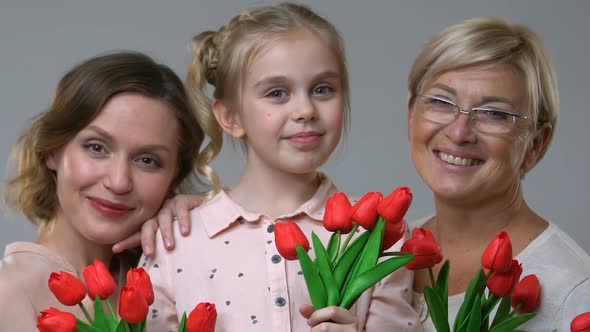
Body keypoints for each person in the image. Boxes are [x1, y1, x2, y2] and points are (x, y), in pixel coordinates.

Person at [143, 3, 420, 331]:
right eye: (277, 93)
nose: (305, 109)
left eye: (322, 89)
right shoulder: (176, 242)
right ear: (230, 117)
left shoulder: (379, 236)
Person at [406, 17, 590, 331]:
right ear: (411, 115)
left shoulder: (572, 289)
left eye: (494, 114)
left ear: (536, 144)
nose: (459, 131)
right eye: (440, 101)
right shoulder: (388, 249)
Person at [0, 51, 207, 331]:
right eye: (96, 148)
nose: (119, 182)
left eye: (147, 160)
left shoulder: (165, 276)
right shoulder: (10, 292)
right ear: (52, 150)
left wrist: (209, 220)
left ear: (172, 178)